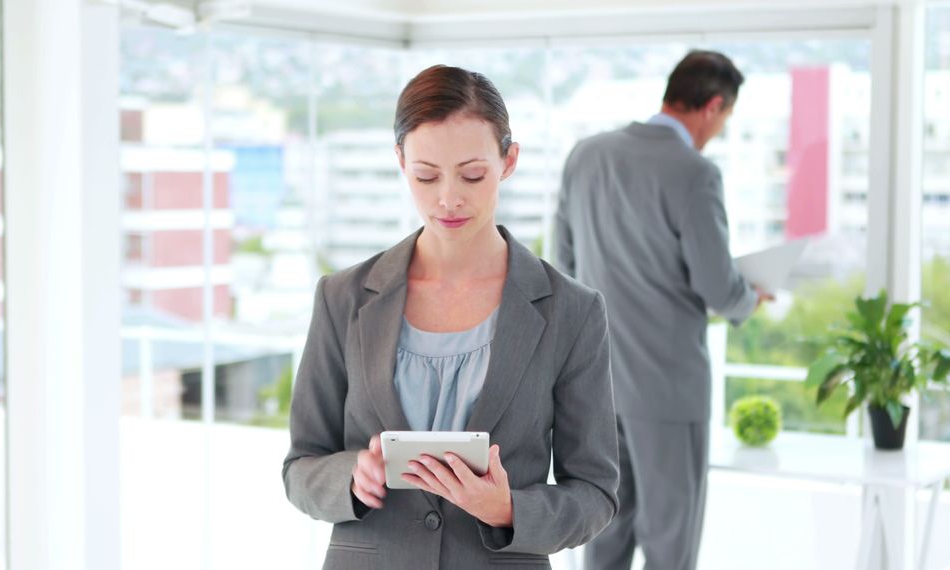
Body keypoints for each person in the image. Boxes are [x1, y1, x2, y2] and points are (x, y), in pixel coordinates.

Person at [282, 64, 620, 569]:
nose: (448, 198)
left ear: (509, 161)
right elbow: (300, 466)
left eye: (472, 174)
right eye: (426, 175)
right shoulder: (343, 297)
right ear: (400, 161)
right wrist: (352, 476)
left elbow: (596, 494)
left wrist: (509, 509)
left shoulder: (572, 309)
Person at [554, 50, 772, 570]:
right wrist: (751, 297)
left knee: (602, 536)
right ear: (713, 106)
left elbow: (563, 265)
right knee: (671, 545)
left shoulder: (585, 155)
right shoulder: (694, 173)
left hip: (597, 386)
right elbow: (718, 287)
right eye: (723, 120)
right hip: (669, 389)